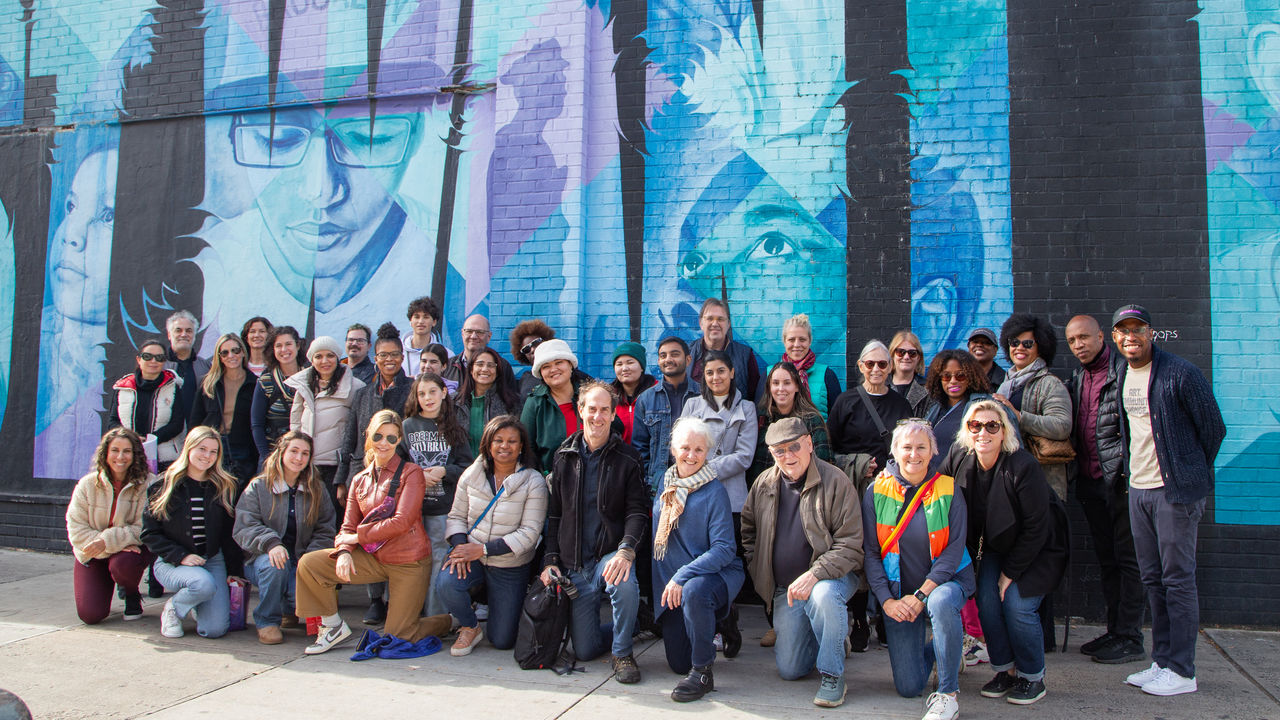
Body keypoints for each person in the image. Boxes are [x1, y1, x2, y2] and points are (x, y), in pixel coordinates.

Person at [1111, 305, 1224, 697]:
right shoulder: (1123, 374)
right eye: (1123, 331)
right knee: (1152, 579)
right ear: (1115, 338)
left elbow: (1213, 429)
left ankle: (1183, 670)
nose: (1131, 337)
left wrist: (1188, 471)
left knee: (1177, 580)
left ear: (1151, 333)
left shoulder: (1181, 373)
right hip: (1138, 490)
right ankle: (1161, 662)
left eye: (1137, 329)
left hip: (1174, 493)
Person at [940, 400, 1069, 706]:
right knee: (986, 601)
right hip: (997, 547)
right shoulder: (960, 457)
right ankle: (1005, 671)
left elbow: (1037, 528)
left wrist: (1009, 574)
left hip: (1037, 549)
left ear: (1003, 432)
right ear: (966, 430)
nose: (982, 432)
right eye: (975, 425)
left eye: (991, 426)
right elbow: (937, 492)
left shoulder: (1022, 466)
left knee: (1017, 606)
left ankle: (1032, 676)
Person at [295, 410, 453, 654]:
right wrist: (345, 551)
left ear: (399, 440)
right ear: (368, 435)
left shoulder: (411, 473)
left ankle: (452, 621)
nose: (384, 443)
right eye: (379, 436)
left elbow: (402, 522)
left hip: (408, 561)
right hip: (374, 557)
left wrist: (357, 538)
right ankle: (332, 626)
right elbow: (347, 526)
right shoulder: (359, 480)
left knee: (399, 635)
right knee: (310, 564)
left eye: (392, 438)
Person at [741, 417, 864, 708]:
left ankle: (833, 674)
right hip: (787, 589)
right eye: (778, 451)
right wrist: (758, 566)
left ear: (809, 444)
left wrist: (816, 574)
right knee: (791, 669)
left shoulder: (836, 481)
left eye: (794, 447)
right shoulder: (764, 483)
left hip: (832, 578)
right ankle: (833, 637)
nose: (788, 456)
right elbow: (748, 531)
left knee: (822, 596)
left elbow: (850, 544)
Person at [862, 420, 974, 720]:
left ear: (933, 451)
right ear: (894, 451)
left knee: (940, 602)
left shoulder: (949, 489)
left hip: (944, 583)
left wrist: (922, 595)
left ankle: (948, 694)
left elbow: (953, 550)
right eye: (907, 447)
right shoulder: (875, 491)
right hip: (899, 594)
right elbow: (871, 553)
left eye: (921, 447)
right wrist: (887, 601)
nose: (914, 454)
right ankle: (946, 648)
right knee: (909, 686)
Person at [542, 382, 649, 683]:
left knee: (623, 579)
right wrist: (550, 560)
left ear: (614, 414)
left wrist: (626, 550)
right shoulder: (564, 457)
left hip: (608, 557)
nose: (598, 417)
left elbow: (637, 511)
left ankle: (623, 652)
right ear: (581, 410)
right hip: (576, 567)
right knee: (586, 650)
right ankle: (633, 623)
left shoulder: (628, 459)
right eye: (592, 409)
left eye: (605, 410)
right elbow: (555, 514)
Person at [1064, 314, 1146, 665]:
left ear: (1102, 337)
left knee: (1130, 562)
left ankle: (1130, 636)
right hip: (1091, 482)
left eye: (1084, 337)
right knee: (1108, 560)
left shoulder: (1123, 371)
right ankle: (1116, 631)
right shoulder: (1079, 377)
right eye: (1072, 341)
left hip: (1121, 483)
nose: (1078, 344)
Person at [652, 417, 744, 702]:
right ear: (673, 449)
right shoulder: (665, 482)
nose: (691, 456)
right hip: (674, 586)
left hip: (712, 576)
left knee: (695, 591)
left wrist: (682, 576)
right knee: (678, 663)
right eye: (685, 448)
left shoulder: (714, 490)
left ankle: (703, 673)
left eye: (699, 450)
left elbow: (724, 549)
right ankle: (722, 619)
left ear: (708, 453)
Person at [439, 415, 547, 654]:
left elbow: (530, 533)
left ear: (521, 447)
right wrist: (459, 548)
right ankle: (469, 625)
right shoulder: (472, 474)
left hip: (509, 564)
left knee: (502, 640)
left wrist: (485, 549)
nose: (505, 446)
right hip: (472, 556)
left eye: (512, 441)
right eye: (498, 440)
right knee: (447, 582)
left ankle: (507, 604)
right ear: (488, 444)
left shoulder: (533, 481)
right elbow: (456, 516)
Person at [334, 322, 413, 626]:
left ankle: (397, 598)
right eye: (383, 355)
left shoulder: (410, 389)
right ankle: (375, 600)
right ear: (375, 358)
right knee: (368, 534)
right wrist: (343, 477)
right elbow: (350, 436)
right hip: (366, 473)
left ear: (402, 357)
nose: (389, 360)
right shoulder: (364, 393)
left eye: (394, 354)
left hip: (400, 475)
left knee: (394, 534)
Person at [142, 426, 246, 639]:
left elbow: (229, 534)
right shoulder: (164, 485)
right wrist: (181, 556)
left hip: (211, 559)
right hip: (172, 562)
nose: (207, 456)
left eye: (213, 451)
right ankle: (174, 608)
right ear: (188, 448)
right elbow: (149, 533)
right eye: (202, 449)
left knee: (214, 630)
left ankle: (198, 602)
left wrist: (235, 571)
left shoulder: (225, 486)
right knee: (202, 583)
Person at [232, 431, 336, 644]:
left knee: (299, 593)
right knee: (276, 565)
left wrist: (310, 558)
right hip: (262, 560)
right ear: (282, 453)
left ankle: (288, 609)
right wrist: (270, 543)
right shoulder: (259, 487)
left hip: (299, 560)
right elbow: (244, 527)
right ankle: (267, 620)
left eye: (305, 453)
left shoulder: (316, 488)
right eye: (294, 451)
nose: (299, 458)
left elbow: (326, 528)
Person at [403, 372, 476, 617]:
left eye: (433, 392)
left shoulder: (455, 428)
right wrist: (417, 474)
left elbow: (468, 467)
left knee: (438, 559)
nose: (427, 398)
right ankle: (408, 612)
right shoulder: (408, 426)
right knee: (411, 559)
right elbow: (397, 466)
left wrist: (445, 470)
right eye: (421, 394)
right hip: (412, 508)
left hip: (442, 507)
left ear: (444, 393)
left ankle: (436, 616)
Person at [66, 428, 156, 625]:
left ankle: (131, 592)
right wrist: (109, 546)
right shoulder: (87, 484)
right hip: (93, 552)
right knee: (90, 615)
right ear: (105, 453)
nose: (120, 457)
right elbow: (76, 529)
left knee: (123, 564)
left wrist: (106, 541)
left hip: (127, 554)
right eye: (115, 450)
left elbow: (145, 527)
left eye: (127, 451)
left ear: (136, 454)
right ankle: (113, 575)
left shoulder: (148, 484)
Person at [994, 314, 1073, 501]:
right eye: (1014, 343)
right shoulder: (1006, 384)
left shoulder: (1050, 384)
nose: (1019, 348)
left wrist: (1019, 417)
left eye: (1027, 344)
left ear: (1040, 347)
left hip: (1042, 483)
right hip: (1010, 479)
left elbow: (1062, 426)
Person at [286, 336, 366, 510]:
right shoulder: (303, 385)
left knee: (331, 517)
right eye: (318, 356)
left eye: (330, 355)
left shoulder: (355, 386)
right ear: (312, 360)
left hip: (335, 466)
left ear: (337, 357)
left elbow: (359, 428)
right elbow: (296, 422)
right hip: (306, 463)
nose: (324, 361)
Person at [679, 350, 758, 517]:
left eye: (721, 371)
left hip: (731, 499)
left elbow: (744, 456)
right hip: (695, 494)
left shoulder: (747, 408)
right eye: (709, 372)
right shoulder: (692, 405)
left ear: (732, 372)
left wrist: (703, 468)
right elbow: (680, 449)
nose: (716, 377)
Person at [829, 340, 914, 476]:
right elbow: (830, 447)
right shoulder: (845, 401)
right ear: (861, 366)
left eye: (882, 364)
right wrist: (857, 464)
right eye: (870, 364)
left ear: (890, 366)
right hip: (854, 484)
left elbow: (910, 445)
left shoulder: (901, 405)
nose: (876, 369)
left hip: (891, 484)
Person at [633, 337, 701, 493]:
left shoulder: (702, 395)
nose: (668, 359)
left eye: (675, 354)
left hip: (696, 482)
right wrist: (650, 480)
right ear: (658, 361)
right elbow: (640, 447)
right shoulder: (646, 399)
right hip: (658, 486)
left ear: (688, 359)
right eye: (663, 356)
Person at [189, 332, 259, 484]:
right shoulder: (208, 384)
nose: (231, 356)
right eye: (225, 352)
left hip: (241, 450)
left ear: (243, 352)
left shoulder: (256, 385)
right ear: (219, 357)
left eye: (235, 350)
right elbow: (195, 420)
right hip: (209, 447)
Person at [109, 338, 185, 468]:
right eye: (147, 356)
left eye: (159, 357)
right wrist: (132, 439)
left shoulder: (172, 387)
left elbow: (177, 424)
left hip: (162, 460)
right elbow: (113, 422)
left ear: (164, 362)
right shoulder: (124, 387)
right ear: (139, 359)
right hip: (128, 458)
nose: (153, 361)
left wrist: (152, 440)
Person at [752, 362, 832, 481]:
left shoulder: (811, 419)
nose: (781, 388)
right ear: (769, 387)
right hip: (765, 490)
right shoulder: (761, 418)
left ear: (797, 386)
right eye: (775, 383)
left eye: (787, 383)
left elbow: (824, 463)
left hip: (804, 490)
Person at [521, 338, 590, 471]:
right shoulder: (535, 402)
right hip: (551, 484)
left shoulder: (590, 394)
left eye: (559, 362)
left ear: (570, 365)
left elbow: (614, 427)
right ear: (540, 372)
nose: (553, 369)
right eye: (546, 366)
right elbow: (526, 449)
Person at [922, 349, 995, 462]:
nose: (953, 381)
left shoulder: (984, 405)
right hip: (935, 477)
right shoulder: (935, 407)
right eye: (946, 376)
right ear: (938, 379)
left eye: (960, 376)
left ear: (970, 377)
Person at [689, 298, 762, 402]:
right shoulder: (687, 353)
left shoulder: (745, 355)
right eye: (710, 319)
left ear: (728, 324)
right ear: (701, 323)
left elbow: (755, 397)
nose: (715, 323)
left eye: (720, 319)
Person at [250, 326, 304, 462]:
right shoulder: (266, 382)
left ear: (297, 345)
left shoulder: (311, 378)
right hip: (274, 454)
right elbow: (257, 424)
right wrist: (266, 457)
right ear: (273, 350)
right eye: (278, 346)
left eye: (288, 344)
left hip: (303, 456)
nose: (284, 350)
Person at [455, 346, 521, 450]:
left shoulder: (512, 403)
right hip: (462, 465)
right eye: (480, 364)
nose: (485, 369)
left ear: (497, 371)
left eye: (490, 365)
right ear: (471, 369)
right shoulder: (454, 402)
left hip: (497, 464)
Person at [778, 313, 842, 419]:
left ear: (810, 341)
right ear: (784, 341)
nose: (797, 345)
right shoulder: (770, 374)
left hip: (818, 434)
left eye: (802, 339)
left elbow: (837, 419)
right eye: (791, 339)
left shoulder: (827, 375)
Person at [163, 310, 210, 434]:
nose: (183, 334)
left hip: (196, 436)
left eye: (189, 331)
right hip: (164, 439)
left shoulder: (206, 367)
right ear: (169, 334)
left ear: (194, 335)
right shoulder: (158, 365)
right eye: (178, 330)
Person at [610, 342, 656, 444]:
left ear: (642, 367)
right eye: (619, 364)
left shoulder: (657, 392)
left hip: (649, 458)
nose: (624, 368)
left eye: (630, 363)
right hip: (618, 457)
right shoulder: (608, 396)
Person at [508, 318, 556, 400]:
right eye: (526, 349)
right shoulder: (526, 379)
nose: (533, 350)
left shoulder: (565, 372)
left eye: (536, 343)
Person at [402, 296, 447, 376]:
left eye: (426, 317)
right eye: (416, 317)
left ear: (434, 322)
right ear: (410, 321)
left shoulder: (446, 354)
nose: (421, 321)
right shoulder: (399, 352)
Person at [443, 314, 493, 383]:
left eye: (479, 332)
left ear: (489, 337)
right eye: (469, 331)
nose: (473, 336)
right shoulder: (447, 367)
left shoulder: (500, 367)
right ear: (462, 334)